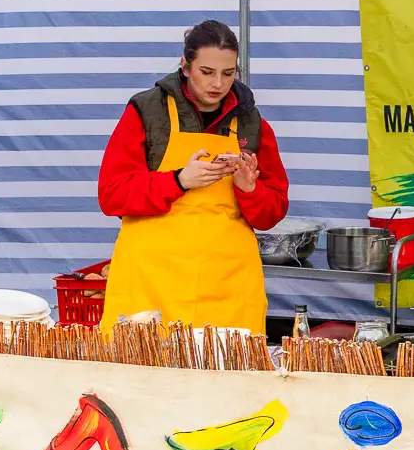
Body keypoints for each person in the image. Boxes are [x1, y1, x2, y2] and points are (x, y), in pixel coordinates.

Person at [97, 20, 289, 331]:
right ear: (185, 67)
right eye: (207, 72)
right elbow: (112, 195)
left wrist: (249, 190)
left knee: (227, 362)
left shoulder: (253, 124)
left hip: (228, 285)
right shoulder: (147, 112)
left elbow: (272, 212)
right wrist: (178, 181)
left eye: (228, 73)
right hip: (151, 282)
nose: (218, 84)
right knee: (148, 361)